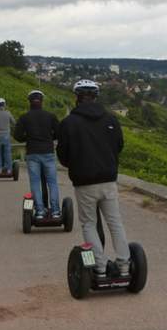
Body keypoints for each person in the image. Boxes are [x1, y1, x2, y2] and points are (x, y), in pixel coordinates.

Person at [57, 79, 129, 278]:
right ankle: (124, 265)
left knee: (89, 224)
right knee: (115, 223)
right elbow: (119, 146)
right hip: (108, 179)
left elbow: (62, 155)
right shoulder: (111, 120)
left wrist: (76, 164)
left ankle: (100, 266)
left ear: (77, 98)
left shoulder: (68, 123)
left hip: (84, 181)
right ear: (96, 97)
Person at [14, 90, 60, 219]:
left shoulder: (24, 117)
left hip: (32, 153)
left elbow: (17, 136)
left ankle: (40, 211)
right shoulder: (50, 116)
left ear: (29, 101)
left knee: (35, 183)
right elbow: (59, 132)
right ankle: (56, 211)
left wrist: (27, 138)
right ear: (42, 101)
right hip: (48, 152)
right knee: (52, 183)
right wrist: (50, 137)